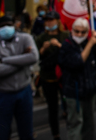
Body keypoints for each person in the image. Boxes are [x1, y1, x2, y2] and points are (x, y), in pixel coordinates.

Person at [0, 16, 39, 140]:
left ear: (14, 25)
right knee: (1, 134)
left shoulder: (25, 38)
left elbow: (34, 57)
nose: (6, 29)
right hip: (2, 95)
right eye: (2, 26)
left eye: (8, 25)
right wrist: (22, 60)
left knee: (27, 133)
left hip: (24, 91)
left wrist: (4, 60)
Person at [58, 18, 96, 140]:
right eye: (77, 31)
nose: (79, 34)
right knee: (75, 124)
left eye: (83, 32)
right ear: (72, 30)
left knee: (89, 124)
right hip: (74, 93)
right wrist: (90, 44)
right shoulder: (67, 45)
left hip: (89, 90)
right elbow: (77, 62)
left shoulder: (88, 43)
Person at [35, 11, 69, 140]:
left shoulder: (65, 35)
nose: (49, 22)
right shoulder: (41, 38)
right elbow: (36, 57)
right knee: (52, 108)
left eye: (52, 20)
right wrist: (43, 49)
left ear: (57, 21)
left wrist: (59, 45)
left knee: (68, 105)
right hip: (48, 78)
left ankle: (72, 131)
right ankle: (56, 135)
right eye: (47, 20)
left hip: (63, 77)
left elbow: (70, 53)